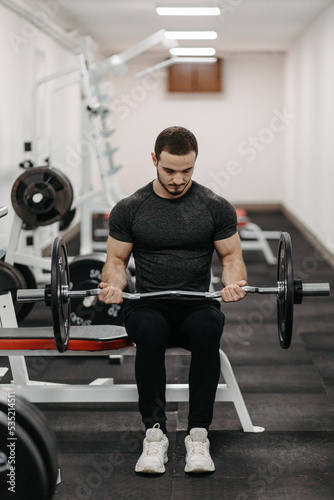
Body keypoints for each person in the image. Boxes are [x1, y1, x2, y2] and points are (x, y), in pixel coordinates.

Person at [98, 126, 247, 474]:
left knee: (208, 328)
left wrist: (234, 283)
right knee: (148, 331)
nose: (178, 179)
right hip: (148, 303)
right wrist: (112, 285)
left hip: (197, 303)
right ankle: (155, 435)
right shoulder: (130, 208)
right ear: (154, 160)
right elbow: (116, 261)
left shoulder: (215, 207)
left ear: (195, 163)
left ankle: (198, 434)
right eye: (169, 170)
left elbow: (231, 258)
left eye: (187, 170)